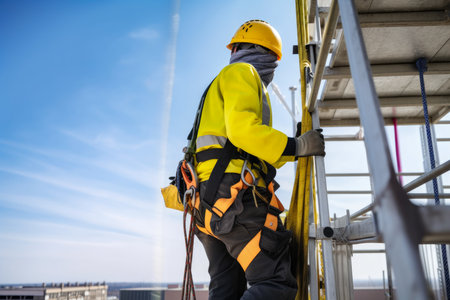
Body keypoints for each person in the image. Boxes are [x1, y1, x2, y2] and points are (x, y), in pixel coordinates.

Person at [192, 19, 325, 300]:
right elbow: (244, 133)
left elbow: (245, 152)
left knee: (227, 288)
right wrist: (297, 145)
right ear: (262, 52)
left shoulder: (221, 84)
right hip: (232, 200)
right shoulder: (243, 72)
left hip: (206, 206)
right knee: (275, 284)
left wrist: (291, 149)